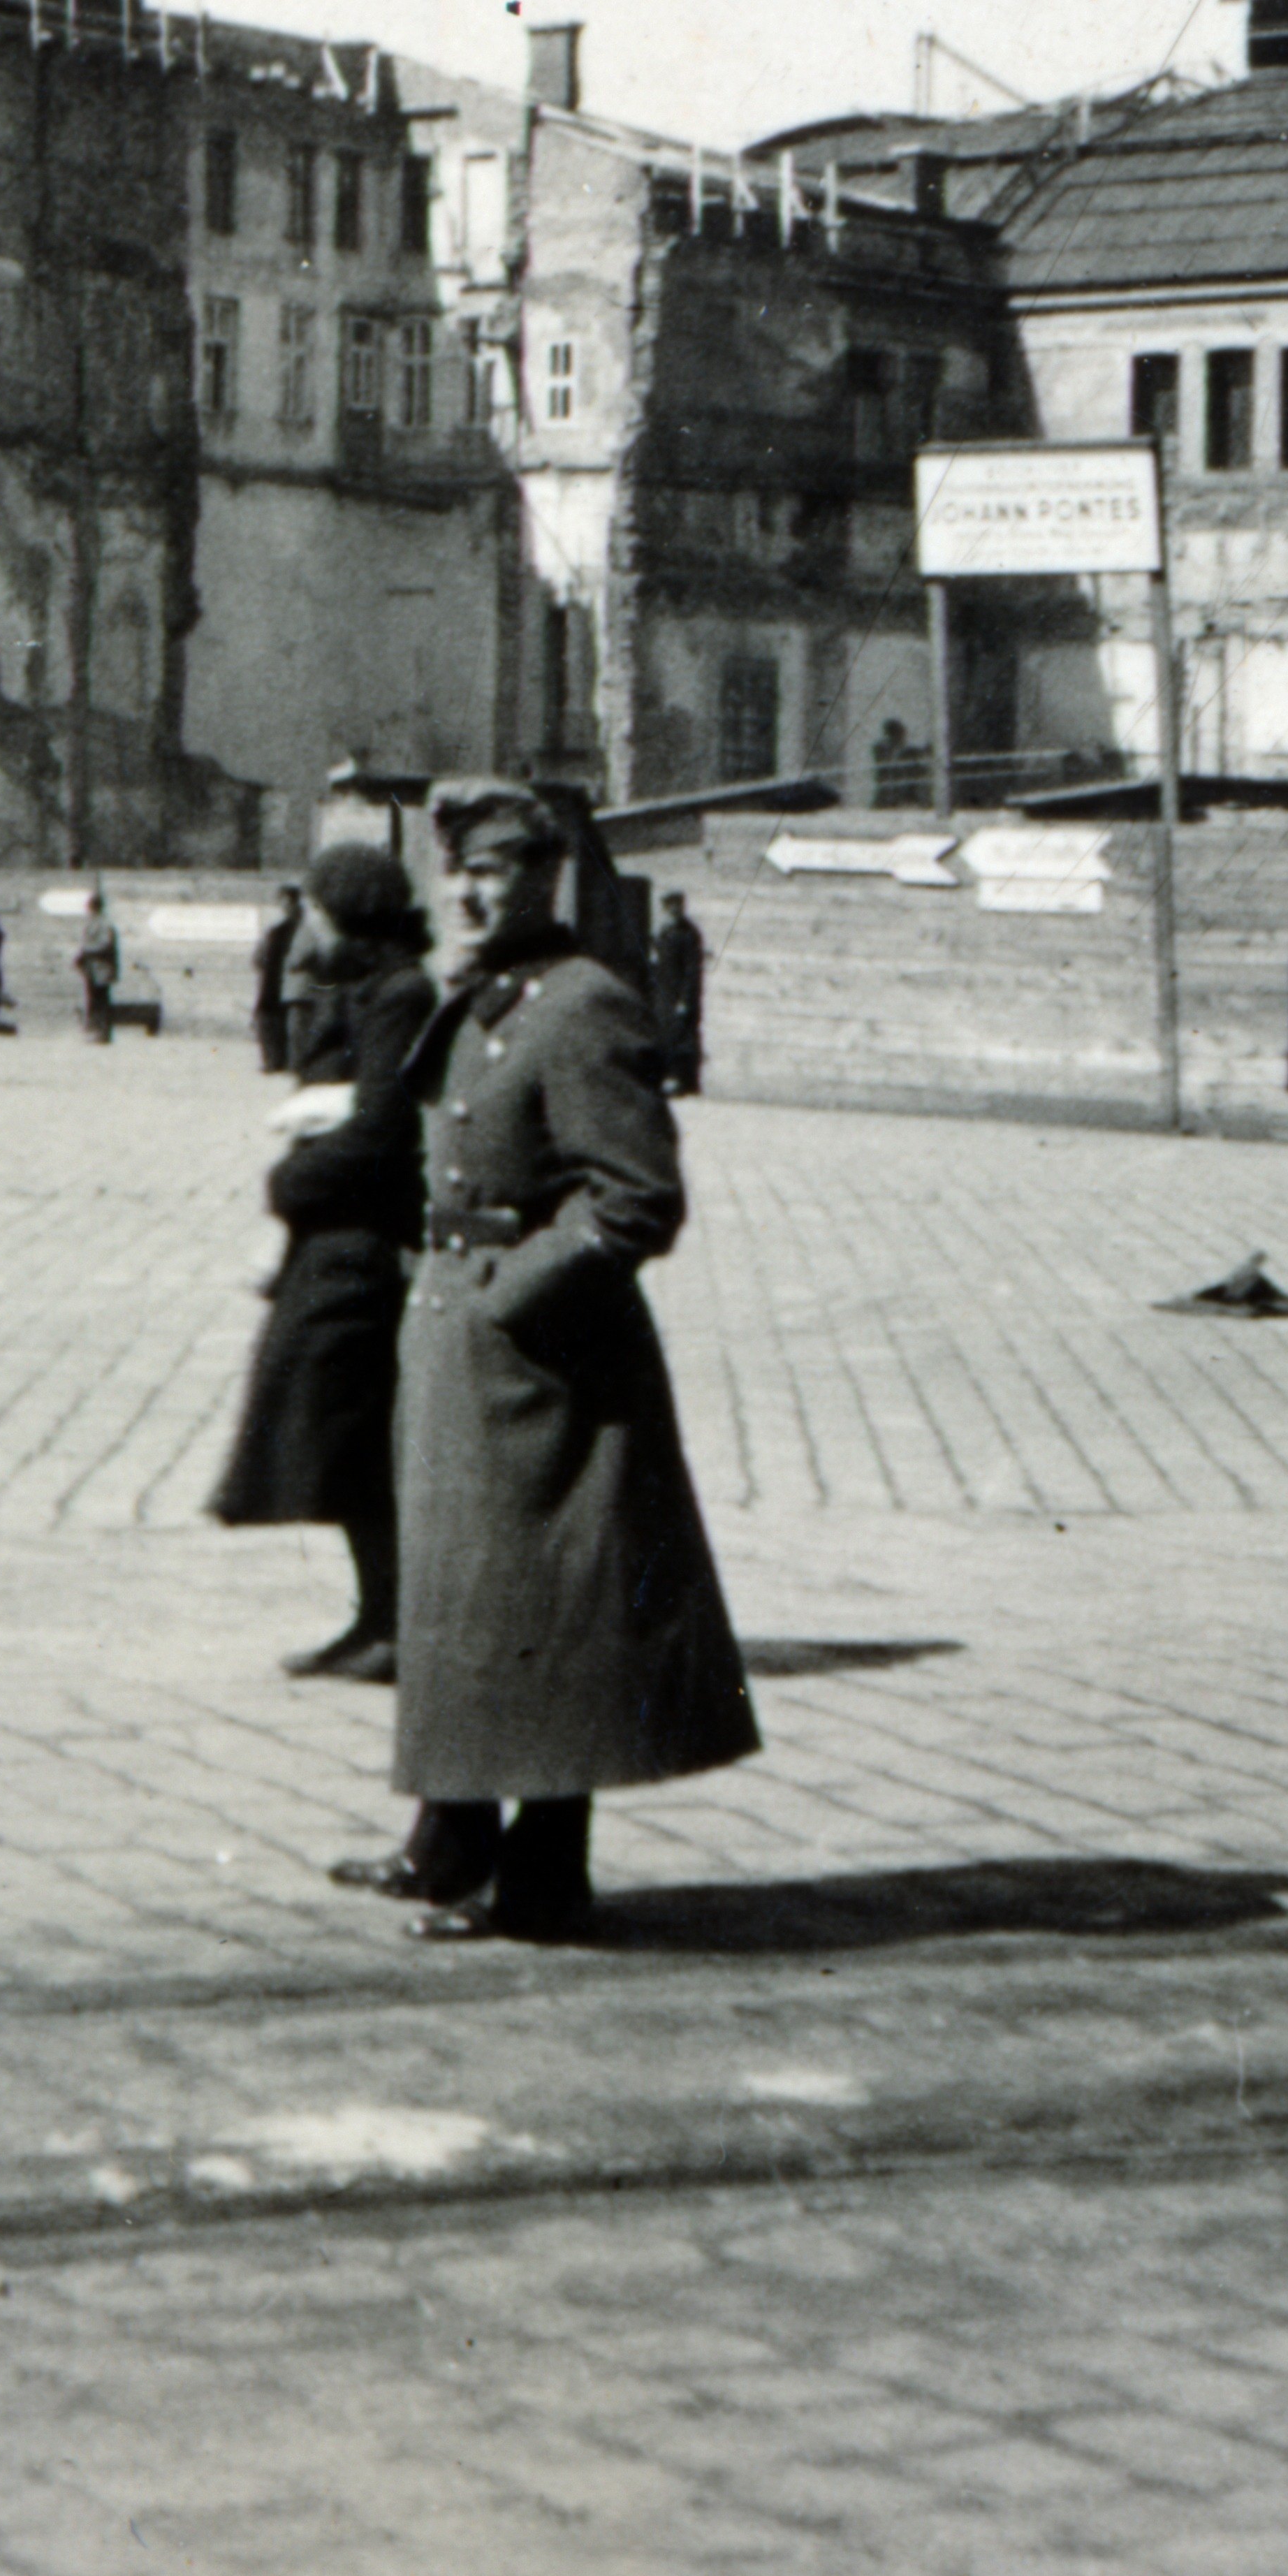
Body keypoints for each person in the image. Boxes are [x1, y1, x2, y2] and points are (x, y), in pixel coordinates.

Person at [333, 779, 757, 1941]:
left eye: (501, 868)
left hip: (545, 1367)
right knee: (462, 1603)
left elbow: (635, 1201)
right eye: (456, 870)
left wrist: (504, 1302)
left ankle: (542, 1877)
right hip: (463, 1349)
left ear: (549, 876)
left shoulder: (582, 1008)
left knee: (545, 1614)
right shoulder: (482, 1003)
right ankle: (449, 1837)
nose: (471, 891)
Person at [214, 842, 438, 1682]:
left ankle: (397, 1621)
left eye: (320, 912)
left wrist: (287, 1180)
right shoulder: (367, 992)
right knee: (342, 1437)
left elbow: (381, 1131)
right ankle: (377, 1615)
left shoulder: (403, 996)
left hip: (366, 1244)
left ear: (353, 916)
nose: (309, 930)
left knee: (355, 1435)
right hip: (333, 1238)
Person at [647, 890, 706, 1102]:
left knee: (681, 1038)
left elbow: (692, 970)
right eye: (670, 906)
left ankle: (682, 1081)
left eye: (678, 906)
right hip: (663, 993)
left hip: (679, 995)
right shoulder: (663, 932)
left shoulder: (688, 934)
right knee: (663, 1035)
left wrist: (685, 999)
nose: (674, 910)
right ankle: (666, 1079)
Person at [250, 883, 305, 1076]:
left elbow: (259, 958)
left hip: (280, 981)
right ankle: (278, 1060)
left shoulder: (284, 929)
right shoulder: (283, 928)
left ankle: (275, 1061)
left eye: (284, 900)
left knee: (271, 1018)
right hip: (278, 981)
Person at [73, 883, 123, 1047]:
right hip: (92, 969)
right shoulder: (94, 923)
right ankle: (96, 1031)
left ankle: (104, 1033)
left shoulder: (103, 924)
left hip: (102, 968)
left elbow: (105, 945)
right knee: (94, 1000)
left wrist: (86, 951)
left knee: (102, 1001)